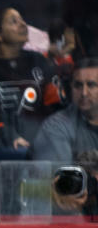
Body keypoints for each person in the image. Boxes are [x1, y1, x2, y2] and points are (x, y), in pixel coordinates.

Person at [0, 7, 62, 218]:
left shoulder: (39, 62)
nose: (23, 24)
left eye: (22, 19)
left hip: (38, 146)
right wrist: (7, 138)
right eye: (13, 21)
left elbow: (56, 107)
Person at [32, 59, 98, 210]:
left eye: (92, 85)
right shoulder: (56, 126)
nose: (84, 93)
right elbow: (61, 183)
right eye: (78, 85)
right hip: (73, 220)